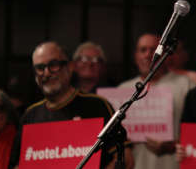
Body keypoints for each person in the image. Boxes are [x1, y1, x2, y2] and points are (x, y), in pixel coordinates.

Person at [8, 41, 134, 169]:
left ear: (70, 67)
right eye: (40, 68)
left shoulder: (97, 106)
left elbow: (126, 159)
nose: (46, 73)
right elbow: (16, 165)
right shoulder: (30, 115)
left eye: (53, 65)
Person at [119, 33, 196, 169]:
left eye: (154, 49)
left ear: (166, 54)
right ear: (136, 56)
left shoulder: (187, 85)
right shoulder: (121, 90)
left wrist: (173, 146)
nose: (148, 55)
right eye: (142, 50)